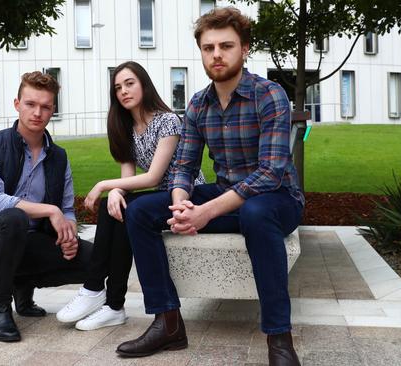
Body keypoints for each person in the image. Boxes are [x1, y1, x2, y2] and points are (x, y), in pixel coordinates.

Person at [115, 7, 304, 365]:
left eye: (226, 46)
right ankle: (167, 323)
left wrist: (204, 214)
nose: (216, 54)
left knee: (255, 212)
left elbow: (269, 173)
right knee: (139, 211)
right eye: (208, 47)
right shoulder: (199, 104)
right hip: (225, 196)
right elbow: (184, 165)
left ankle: (279, 339)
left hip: (277, 200)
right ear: (201, 51)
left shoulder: (270, 95)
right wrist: (181, 204)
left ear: (244, 49)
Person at [55, 61, 205, 331]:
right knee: (114, 207)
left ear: (144, 84)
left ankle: (99, 294)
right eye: (117, 87)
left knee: (121, 207)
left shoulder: (168, 121)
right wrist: (116, 191)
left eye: (129, 83)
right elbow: (128, 179)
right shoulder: (125, 127)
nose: (123, 91)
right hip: (158, 198)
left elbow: (153, 177)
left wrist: (104, 184)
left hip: (185, 195)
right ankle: (110, 304)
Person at [0, 71, 91, 343]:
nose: (37, 112)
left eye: (45, 106)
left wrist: (69, 233)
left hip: (33, 243)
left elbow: (67, 209)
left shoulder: (59, 157)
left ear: (53, 110)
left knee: (96, 259)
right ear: (17, 104)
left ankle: (23, 285)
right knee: (13, 218)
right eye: (30, 104)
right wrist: (50, 210)